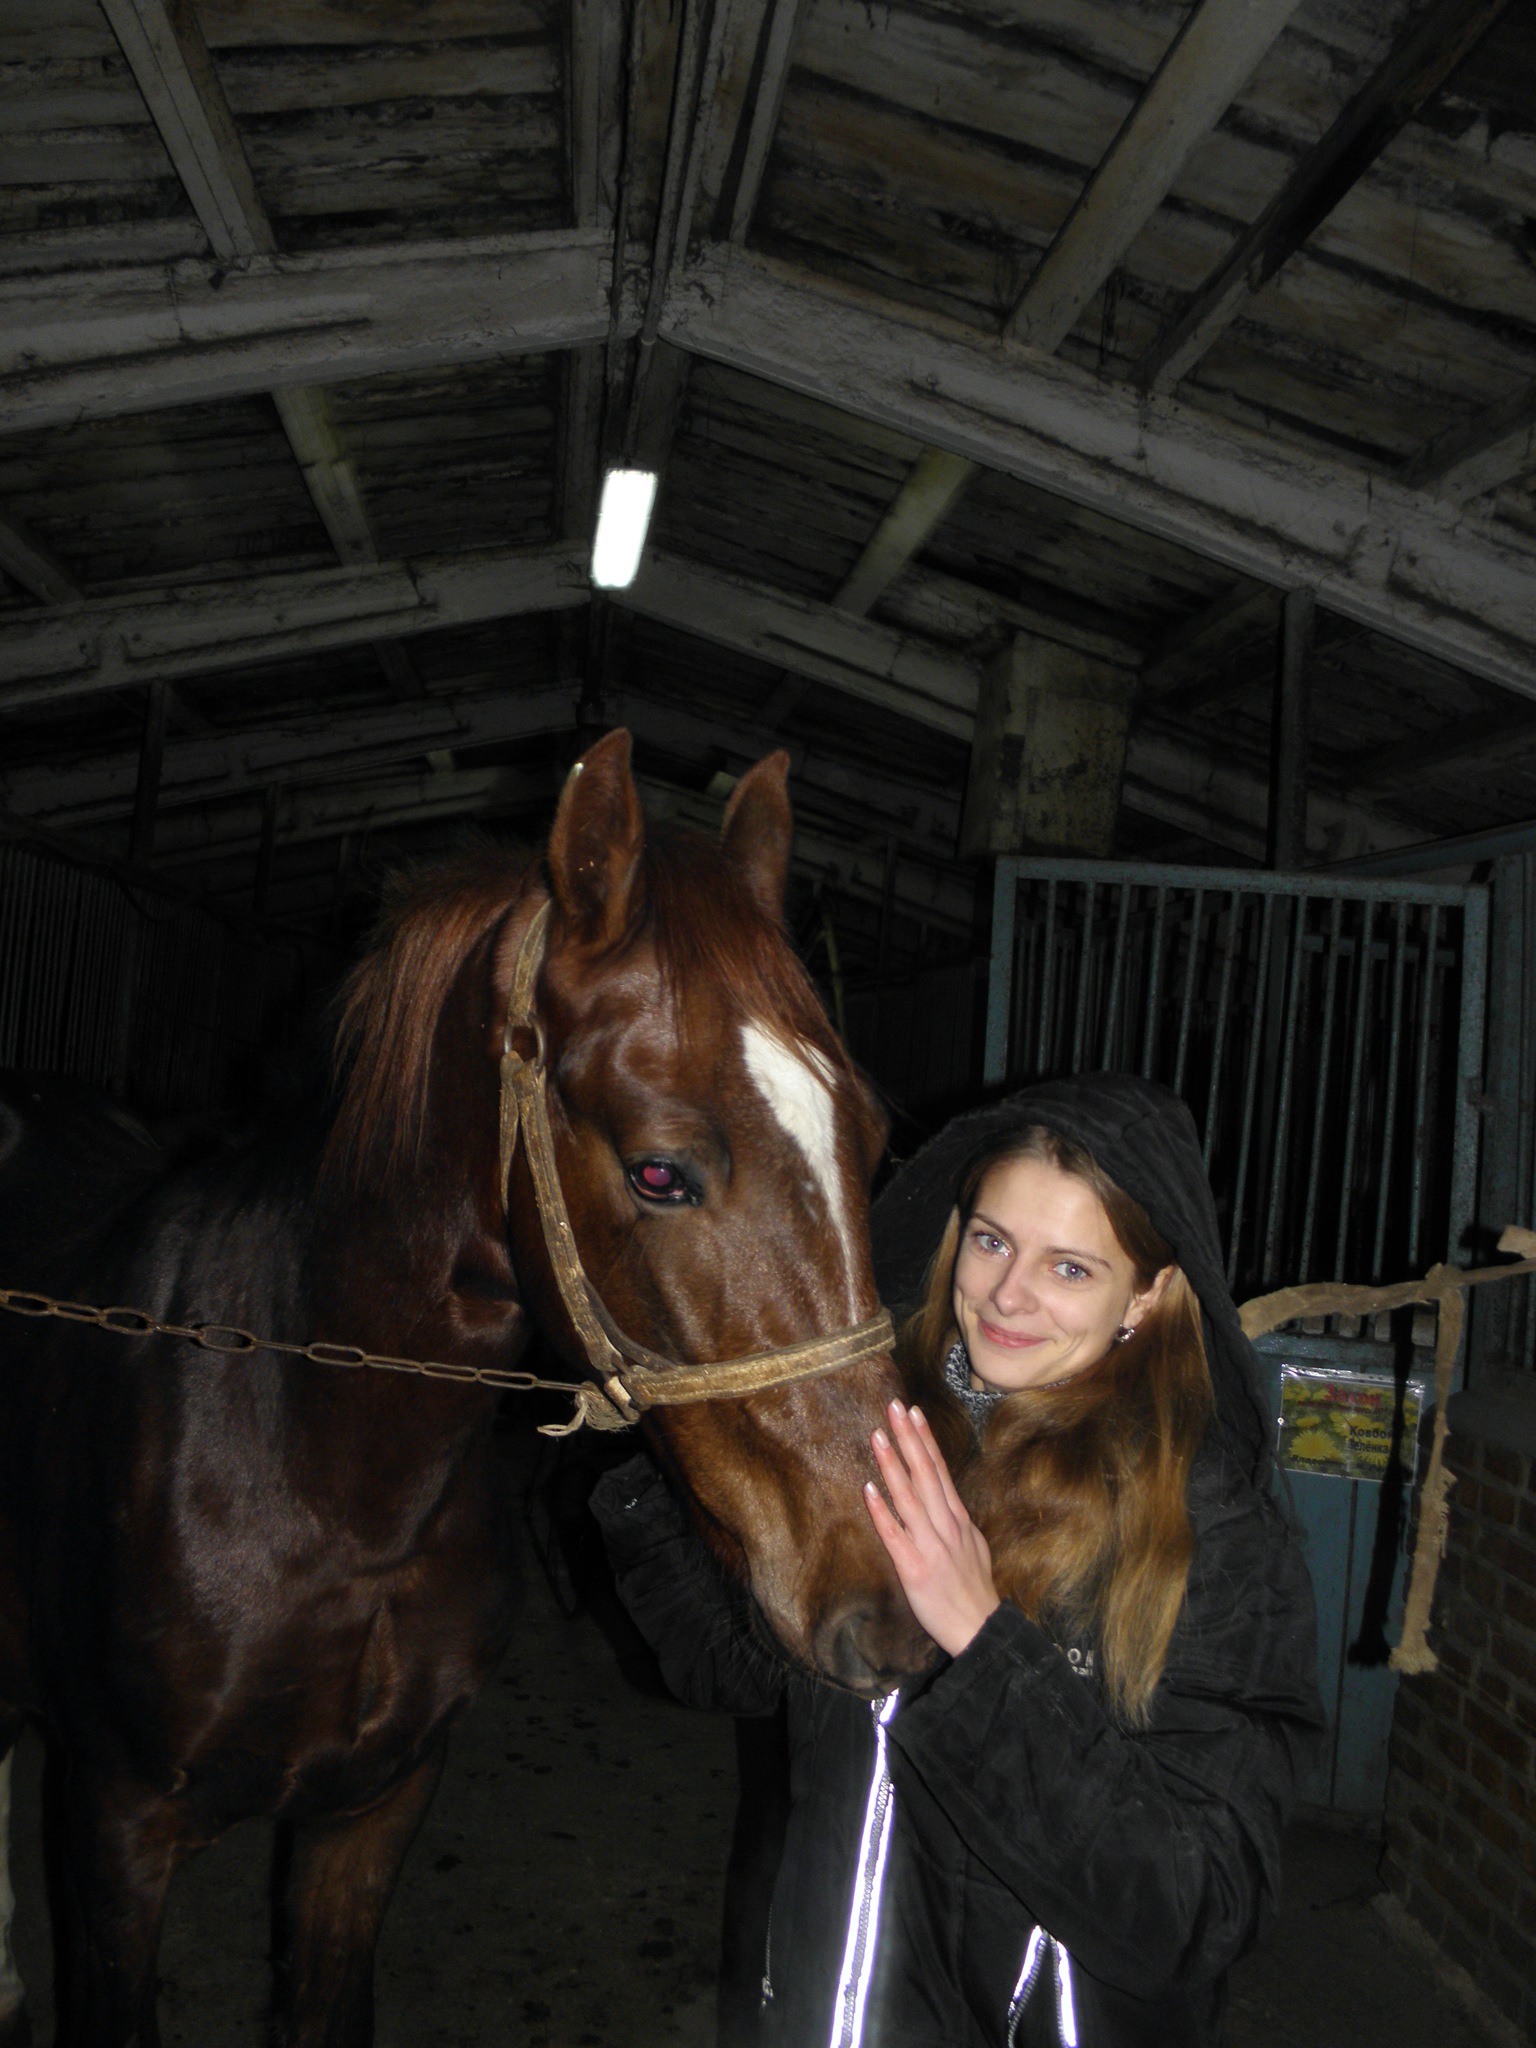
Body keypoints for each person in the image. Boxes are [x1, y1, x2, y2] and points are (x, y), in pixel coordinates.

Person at [592, 1074, 1323, 2048]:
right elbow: (725, 1668)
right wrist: (667, 1449)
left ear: (1146, 1295)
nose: (1009, 1294)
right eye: (991, 1240)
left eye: (1071, 1268)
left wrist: (983, 1645)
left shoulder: (1206, 1528)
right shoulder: (878, 1442)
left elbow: (1196, 1908)